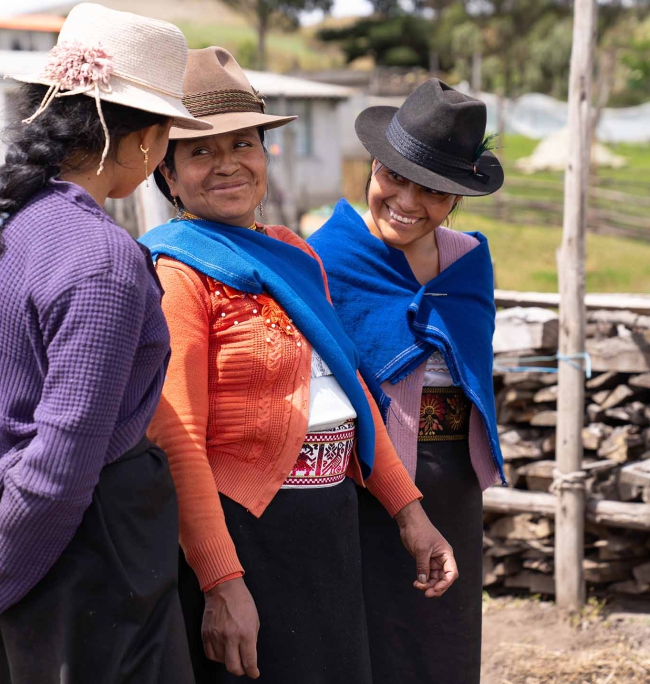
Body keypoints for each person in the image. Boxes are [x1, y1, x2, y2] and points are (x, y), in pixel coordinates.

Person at [139, 47, 457, 684]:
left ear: (265, 155)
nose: (228, 163)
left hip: (328, 524)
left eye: (244, 144)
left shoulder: (292, 254)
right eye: (200, 152)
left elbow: (351, 388)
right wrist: (223, 583)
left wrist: (411, 514)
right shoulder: (177, 274)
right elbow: (178, 439)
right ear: (167, 175)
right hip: (245, 532)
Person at [0, 5, 211, 682]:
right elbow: (63, 456)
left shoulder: (11, 227)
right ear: (144, 140)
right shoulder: (103, 259)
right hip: (87, 544)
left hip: (22, 529)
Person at [307, 79, 506, 684]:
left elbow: (473, 373)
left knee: (443, 645)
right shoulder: (325, 259)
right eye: (394, 177)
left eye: (434, 190)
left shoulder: (468, 260)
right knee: (370, 643)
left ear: (456, 198)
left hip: (452, 482)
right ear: (373, 166)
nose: (407, 201)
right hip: (362, 479)